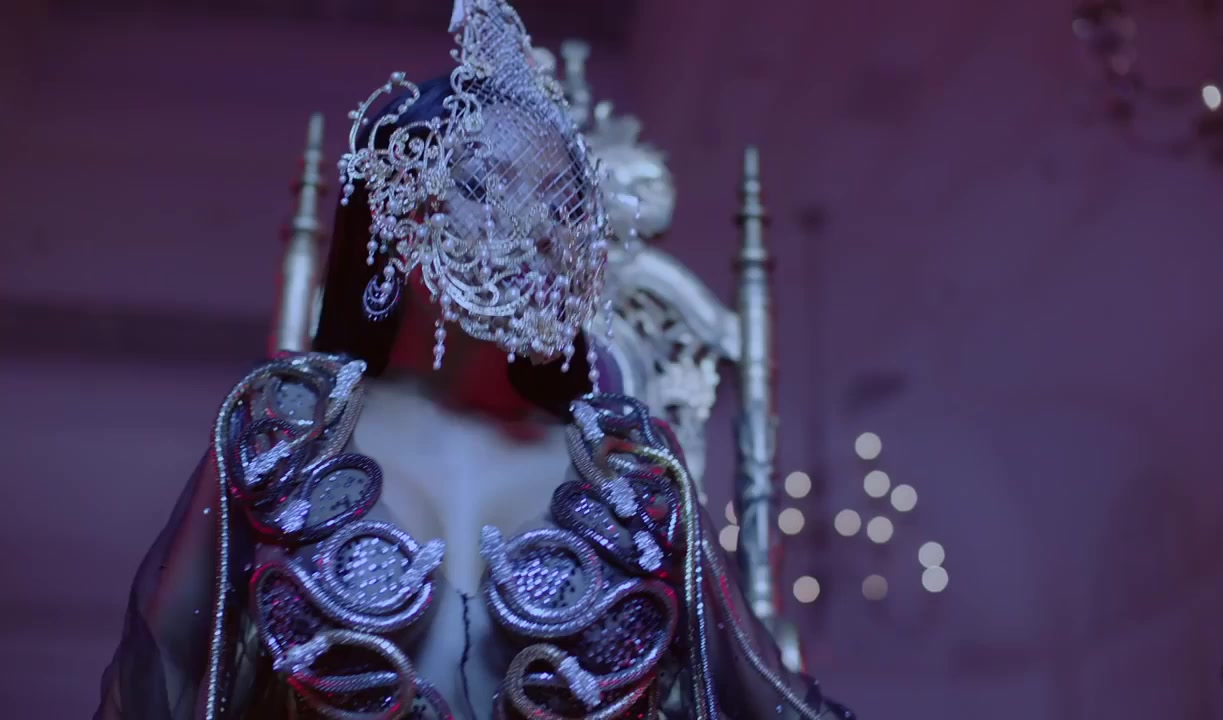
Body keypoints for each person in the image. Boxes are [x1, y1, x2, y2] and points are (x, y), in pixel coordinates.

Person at [94, 2, 855, 718]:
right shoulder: (283, 436)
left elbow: (762, 698)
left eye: (560, 200)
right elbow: (159, 683)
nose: (535, 225)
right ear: (397, 214)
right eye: (484, 182)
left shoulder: (633, 472)